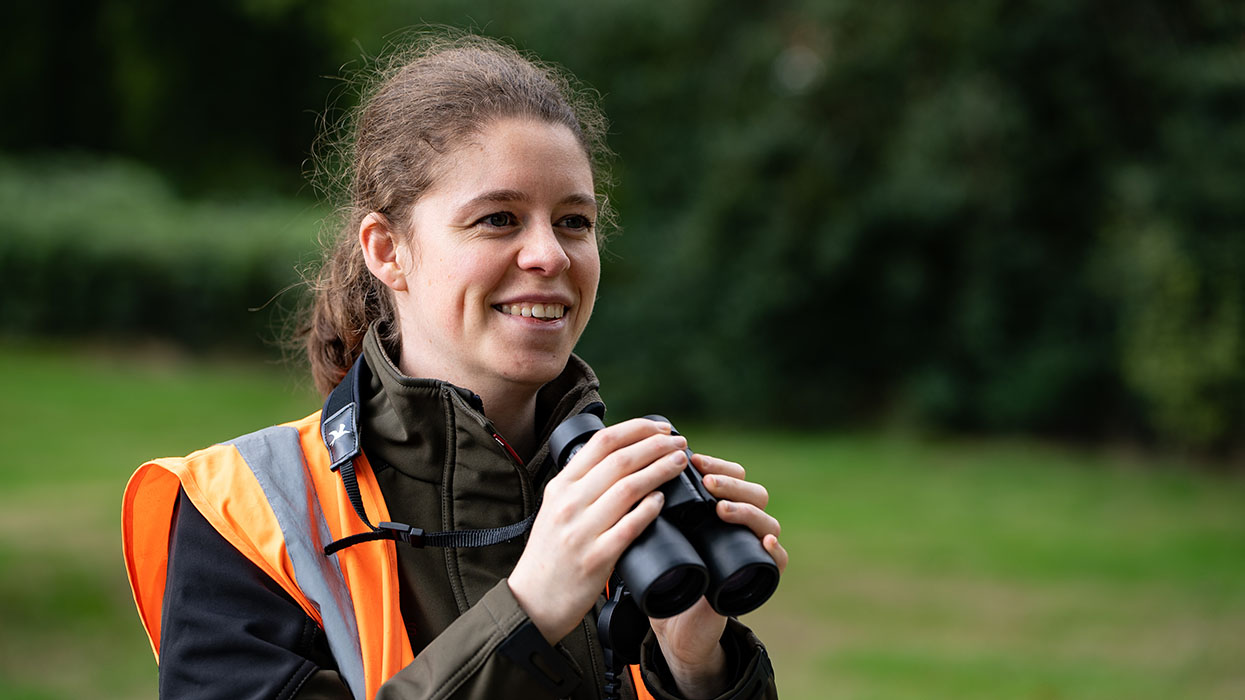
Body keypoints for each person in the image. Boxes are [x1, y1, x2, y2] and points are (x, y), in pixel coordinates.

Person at [122, 33, 788, 700]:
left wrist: (698, 670)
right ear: (387, 250)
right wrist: (527, 612)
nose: (549, 255)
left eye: (573, 221)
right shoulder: (243, 512)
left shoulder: (631, 512)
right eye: (499, 219)